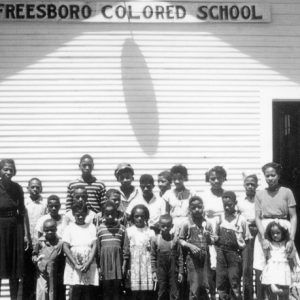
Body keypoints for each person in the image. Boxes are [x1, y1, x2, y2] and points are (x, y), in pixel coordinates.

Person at [254, 162, 297, 300]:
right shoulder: (260, 194)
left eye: (273, 175)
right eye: (267, 176)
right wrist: (263, 238)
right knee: (264, 264)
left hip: (283, 228)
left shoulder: (286, 192)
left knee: (285, 262)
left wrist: (291, 239)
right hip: (265, 230)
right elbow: (257, 217)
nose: (270, 178)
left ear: (278, 176)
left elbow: (294, 216)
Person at [0, 159, 30, 300]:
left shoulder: (17, 188)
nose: (8, 172)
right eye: (5, 169)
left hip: (15, 230)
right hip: (0, 230)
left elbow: (22, 212)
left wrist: (25, 235)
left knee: (14, 270)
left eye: (11, 169)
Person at [215, 191, 251, 300]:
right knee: (221, 281)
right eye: (224, 205)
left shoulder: (241, 220)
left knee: (234, 281)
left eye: (229, 205)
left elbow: (247, 241)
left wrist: (245, 261)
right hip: (221, 254)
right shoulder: (219, 218)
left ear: (235, 203)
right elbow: (215, 238)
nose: (227, 207)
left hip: (235, 255)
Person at [179, 196, 213, 300]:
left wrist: (209, 237)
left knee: (206, 285)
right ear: (190, 209)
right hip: (192, 260)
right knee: (195, 286)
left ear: (203, 207)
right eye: (194, 208)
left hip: (205, 259)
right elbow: (180, 240)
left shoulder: (207, 223)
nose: (197, 210)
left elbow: (212, 241)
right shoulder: (187, 224)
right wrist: (190, 246)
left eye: (199, 207)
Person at [63, 202, 98, 300]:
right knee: (75, 288)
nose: (80, 216)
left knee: (87, 289)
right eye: (78, 215)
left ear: (86, 214)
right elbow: (65, 246)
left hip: (89, 261)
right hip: (74, 261)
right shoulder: (69, 228)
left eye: (83, 214)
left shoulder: (91, 227)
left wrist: (88, 262)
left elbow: (94, 245)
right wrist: (75, 264)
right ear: (73, 214)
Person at [201, 165, 227, 300]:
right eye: (212, 178)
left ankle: (222, 295)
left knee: (222, 266)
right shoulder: (204, 195)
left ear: (224, 178)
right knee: (209, 265)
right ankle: (211, 295)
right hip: (208, 233)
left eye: (219, 178)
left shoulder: (227, 194)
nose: (216, 181)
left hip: (223, 232)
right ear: (208, 180)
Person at [96, 200, 127, 300]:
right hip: (104, 263)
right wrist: (99, 266)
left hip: (118, 262)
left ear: (116, 213)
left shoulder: (121, 228)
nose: (110, 216)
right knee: (106, 288)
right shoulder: (100, 229)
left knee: (117, 288)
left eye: (112, 214)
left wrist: (124, 264)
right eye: (107, 214)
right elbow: (98, 249)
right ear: (103, 214)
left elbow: (125, 247)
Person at [123, 204, 155, 300]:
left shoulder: (150, 232)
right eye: (136, 216)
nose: (139, 218)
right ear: (133, 217)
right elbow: (126, 250)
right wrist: (126, 266)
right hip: (133, 264)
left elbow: (153, 251)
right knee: (134, 291)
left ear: (146, 217)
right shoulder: (129, 231)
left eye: (142, 216)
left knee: (145, 292)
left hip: (146, 264)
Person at [24, 177, 47, 300]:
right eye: (32, 187)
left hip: (39, 243)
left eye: (38, 187)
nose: (35, 189)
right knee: (27, 274)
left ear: (41, 189)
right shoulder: (24, 204)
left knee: (39, 273)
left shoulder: (44, 205)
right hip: (26, 243)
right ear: (28, 188)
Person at [151, 214, 183, 300]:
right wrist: (154, 271)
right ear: (159, 225)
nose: (165, 228)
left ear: (172, 226)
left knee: (174, 290)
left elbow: (180, 256)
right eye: (163, 226)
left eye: (168, 226)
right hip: (161, 270)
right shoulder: (155, 239)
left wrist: (180, 272)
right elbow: (153, 257)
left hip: (173, 269)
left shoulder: (175, 239)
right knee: (161, 290)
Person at [237, 173, 258, 300]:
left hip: (260, 233)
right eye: (248, 184)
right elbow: (237, 218)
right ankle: (247, 297)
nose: (250, 186)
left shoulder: (261, 198)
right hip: (246, 235)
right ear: (244, 185)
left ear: (256, 185)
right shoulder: (239, 200)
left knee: (260, 266)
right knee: (246, 268)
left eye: (253, 184)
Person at [32, 219, 64, 300]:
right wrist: (35, 259)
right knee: (42, 290)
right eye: (47, 230)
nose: (49, 232)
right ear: (44, 230)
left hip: (54, 270)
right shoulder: (40, 242)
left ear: (56, 229)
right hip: (42, 270)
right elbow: (34, 254)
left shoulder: (60, 243)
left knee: (52, 290)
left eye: (52, 230)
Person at [261, 221, 292, 300]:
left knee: (284, 293)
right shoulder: (269, 244)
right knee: (272, 292)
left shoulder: (286, 243)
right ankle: (273, 288)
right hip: (273, 269)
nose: (275, 235)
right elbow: (265, 256)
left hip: (283, 269)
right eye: (273, 233)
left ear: (283, 233)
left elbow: (291, 257)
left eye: (278, 233)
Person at [163, 165, 195, 233]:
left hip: (187, 224)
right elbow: (167, 213)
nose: (177, 181)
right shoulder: (168, 194)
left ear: (184, 178)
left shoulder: (191, 193)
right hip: (173, 225)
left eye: (180, 179)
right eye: (174, 179)